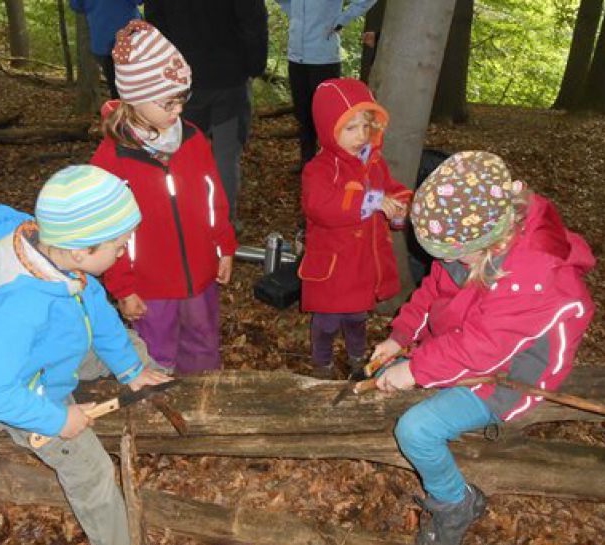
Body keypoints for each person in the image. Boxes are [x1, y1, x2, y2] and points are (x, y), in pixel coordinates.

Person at [0, 164, 176, 545]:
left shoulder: (63, 261)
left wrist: (130, 370)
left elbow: (98, 315)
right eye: (120, 245)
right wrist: (56, 418)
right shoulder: (12, 308)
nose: (125, 252)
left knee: (131, 345)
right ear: (81, 251)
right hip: (26, 391)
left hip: (58, 347)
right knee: (91, 470)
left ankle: (147, 374)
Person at [371, 151, 595, 545]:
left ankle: (455, 502)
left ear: (488, 240)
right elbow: (433, 291)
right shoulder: (469, 244)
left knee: (416, 430)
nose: (446, 262)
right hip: (477, 340)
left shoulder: (530, 277)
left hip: (514, 373)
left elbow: (483, 351)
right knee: (400, 371)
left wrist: (417, 369)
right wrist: (401, 337)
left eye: (453, 254)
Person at [91, 20, 237, 375]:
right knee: (158, 355)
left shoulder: (192, 139)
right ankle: (160, 410)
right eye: (169, 103)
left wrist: (224, 247)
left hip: (200, 275)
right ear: (135, 99)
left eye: (182, 100)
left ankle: (203, 402)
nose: (179, 111)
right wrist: (123, 287)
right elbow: (105, 233)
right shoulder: (111, 160)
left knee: (203, 343)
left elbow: (212, 197)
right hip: (149, 286)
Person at [298, 77, 412, 379]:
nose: (360, 135)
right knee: (327, 319)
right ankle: (321, 364)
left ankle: (357, 358)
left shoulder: (374, 163)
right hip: (333, 262)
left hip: (361, 262)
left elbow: (392, 189)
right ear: (329, 129)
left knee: (356, 316)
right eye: (350, 128)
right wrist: (371, 200)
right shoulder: (321, 168)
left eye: (365, 126)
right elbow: (321, 206)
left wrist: (400, 205)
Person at [143, 0, 268, 232]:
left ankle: (187, 215)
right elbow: (254, 21)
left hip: (190, 76)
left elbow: (155, 21)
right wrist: (254, 66)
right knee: (223, 154)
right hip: (224, 78)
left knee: (183, 149)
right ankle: (221, 220)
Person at [277, 0, 376, 172]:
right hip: (296, 56)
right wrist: (294, 14)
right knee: (303, 114)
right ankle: (307, 163)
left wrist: (341, 20)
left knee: (328, 117)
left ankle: (331, 166)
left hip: (323, 58)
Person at [69, 0, 143, 99]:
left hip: (102, 43)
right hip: (129, 41)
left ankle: (121, 110)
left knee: (117, 89)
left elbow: (76, 6)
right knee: (137, 88)